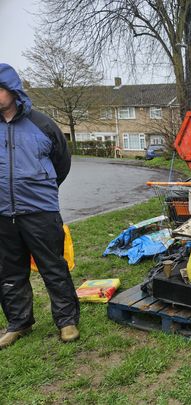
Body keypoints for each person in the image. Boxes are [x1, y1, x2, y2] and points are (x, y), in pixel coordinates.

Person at [0, 63, 80, 348]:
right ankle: (19, 323)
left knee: (53, 266)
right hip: (2, 214)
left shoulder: (42, 124)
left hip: (40, 211)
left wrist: (42, 190)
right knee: (9, 271)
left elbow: (62, 162)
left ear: (12, 90)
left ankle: (67, 321)